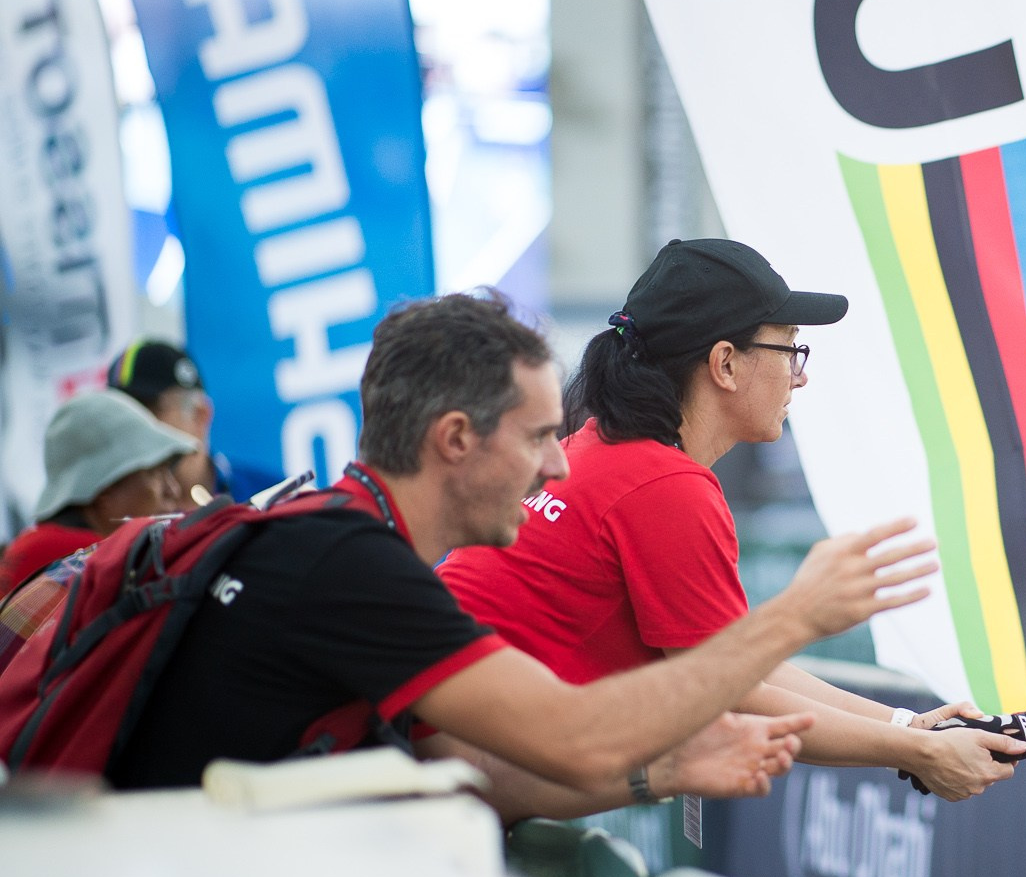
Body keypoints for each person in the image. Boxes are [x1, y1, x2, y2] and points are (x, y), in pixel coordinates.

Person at [110, 293, 939, 822]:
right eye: (542, 437)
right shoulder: (356, 569)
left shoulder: (341, 538)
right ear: (457, 440)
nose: (558, 467)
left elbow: (485, 773)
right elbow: (573, 738)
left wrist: (666, 768)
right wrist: (796, 617)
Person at [440, 238, 1023, 802]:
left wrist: (909, 728)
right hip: (452, 785)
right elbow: (732, 695)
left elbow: (738, 671)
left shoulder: (597, 449)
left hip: (441, 765)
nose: (801, 374)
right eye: (790, 347)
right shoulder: (668, 486)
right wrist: (912, 748)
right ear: (724, 363)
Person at [0, 389, 194, 594]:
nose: (173, 489)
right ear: (104, 490)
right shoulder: (97, 562)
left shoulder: (36, 546)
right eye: (155, 473)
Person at [106, 339, 250, 505]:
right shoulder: (108, 520)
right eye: (121, 416)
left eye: (147, 412)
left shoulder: (269, 498)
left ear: (199, 415)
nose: (132, 430)